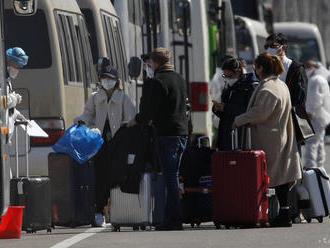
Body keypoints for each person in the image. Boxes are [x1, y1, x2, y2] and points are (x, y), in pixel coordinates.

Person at [232, 53, 302, 227]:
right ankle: (283, 212)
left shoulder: (268, 88)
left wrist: (238, 120)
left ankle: (260, 213)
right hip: (281, 135)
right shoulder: (281, 85)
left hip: (269, 138)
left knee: (264, 176)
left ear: (261, 68)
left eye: (256, 67)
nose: (254, 70)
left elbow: (260, 113)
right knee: (282, 177)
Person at [128, 48, 188, 231]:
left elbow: (148, 112)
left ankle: (174, 219)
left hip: (166, 133)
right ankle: (173, 216)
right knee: (174, 175)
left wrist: (135, 121)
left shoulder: (157, 82)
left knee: (170, 177)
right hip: (181, 132)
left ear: (154, 63)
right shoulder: (179, 79)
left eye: (149, 64)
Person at [75, 60, 135, 227]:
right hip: (100, 143)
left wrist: (125, 131)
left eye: (110, 79)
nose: (106, 82)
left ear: (116, 81)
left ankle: (118, 210)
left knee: (117, 175)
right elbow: (87, 115)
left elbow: (131, 118)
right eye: (104, 79)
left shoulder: (123, 98)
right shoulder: (95, 98)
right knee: (100, 176)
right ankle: (99, 211)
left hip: (119, 143)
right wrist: (82, 122)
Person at [212, 57, 258, 151]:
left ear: (238, 72)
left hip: (240, 135)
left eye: (229, 76)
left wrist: (226, 108)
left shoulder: (250, 86)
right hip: (225, 132)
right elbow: (225, 110)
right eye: (225, 76)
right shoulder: (228, 86)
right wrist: (217, 108)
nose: (227, 79)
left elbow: (248, 111)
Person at [304, 60, 330, 168]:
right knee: (319, 142)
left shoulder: (315, 80)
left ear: (313, 68)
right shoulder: (321, 79)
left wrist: (309, 112)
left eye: (308, 67)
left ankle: (311, 167)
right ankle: (319, 166)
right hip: (322, 116)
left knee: (312, 142)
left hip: (316, 115)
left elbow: (315, 99)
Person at [6, 47, 29, 141]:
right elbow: (3, 101)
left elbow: (6, 109)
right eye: (16, 66)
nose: (17, 69)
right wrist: (14, 98)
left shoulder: (6, 80)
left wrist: (16, 114)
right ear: (9, 61)